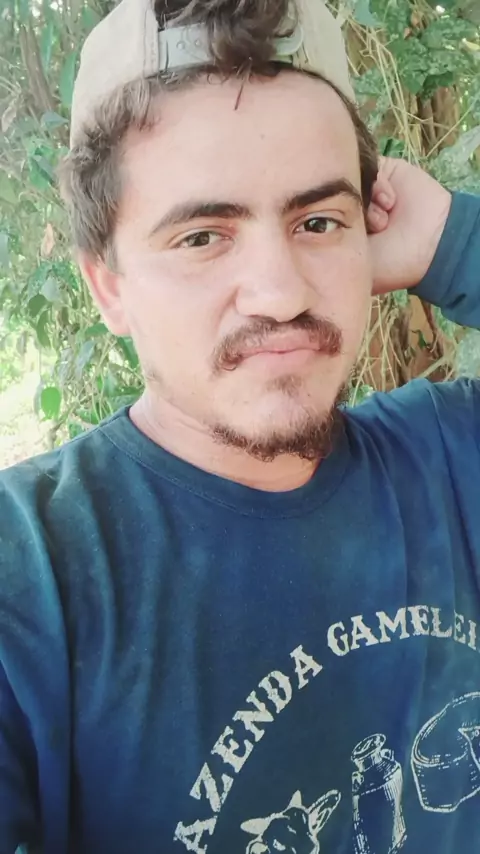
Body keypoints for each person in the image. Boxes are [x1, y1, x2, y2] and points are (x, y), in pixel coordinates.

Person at [1, 0, 480, 851]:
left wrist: (454, 243)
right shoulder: (31, 576)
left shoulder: (453, 457)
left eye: (318, 222)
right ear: (108, 286)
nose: (282, 293)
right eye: (202, 237)